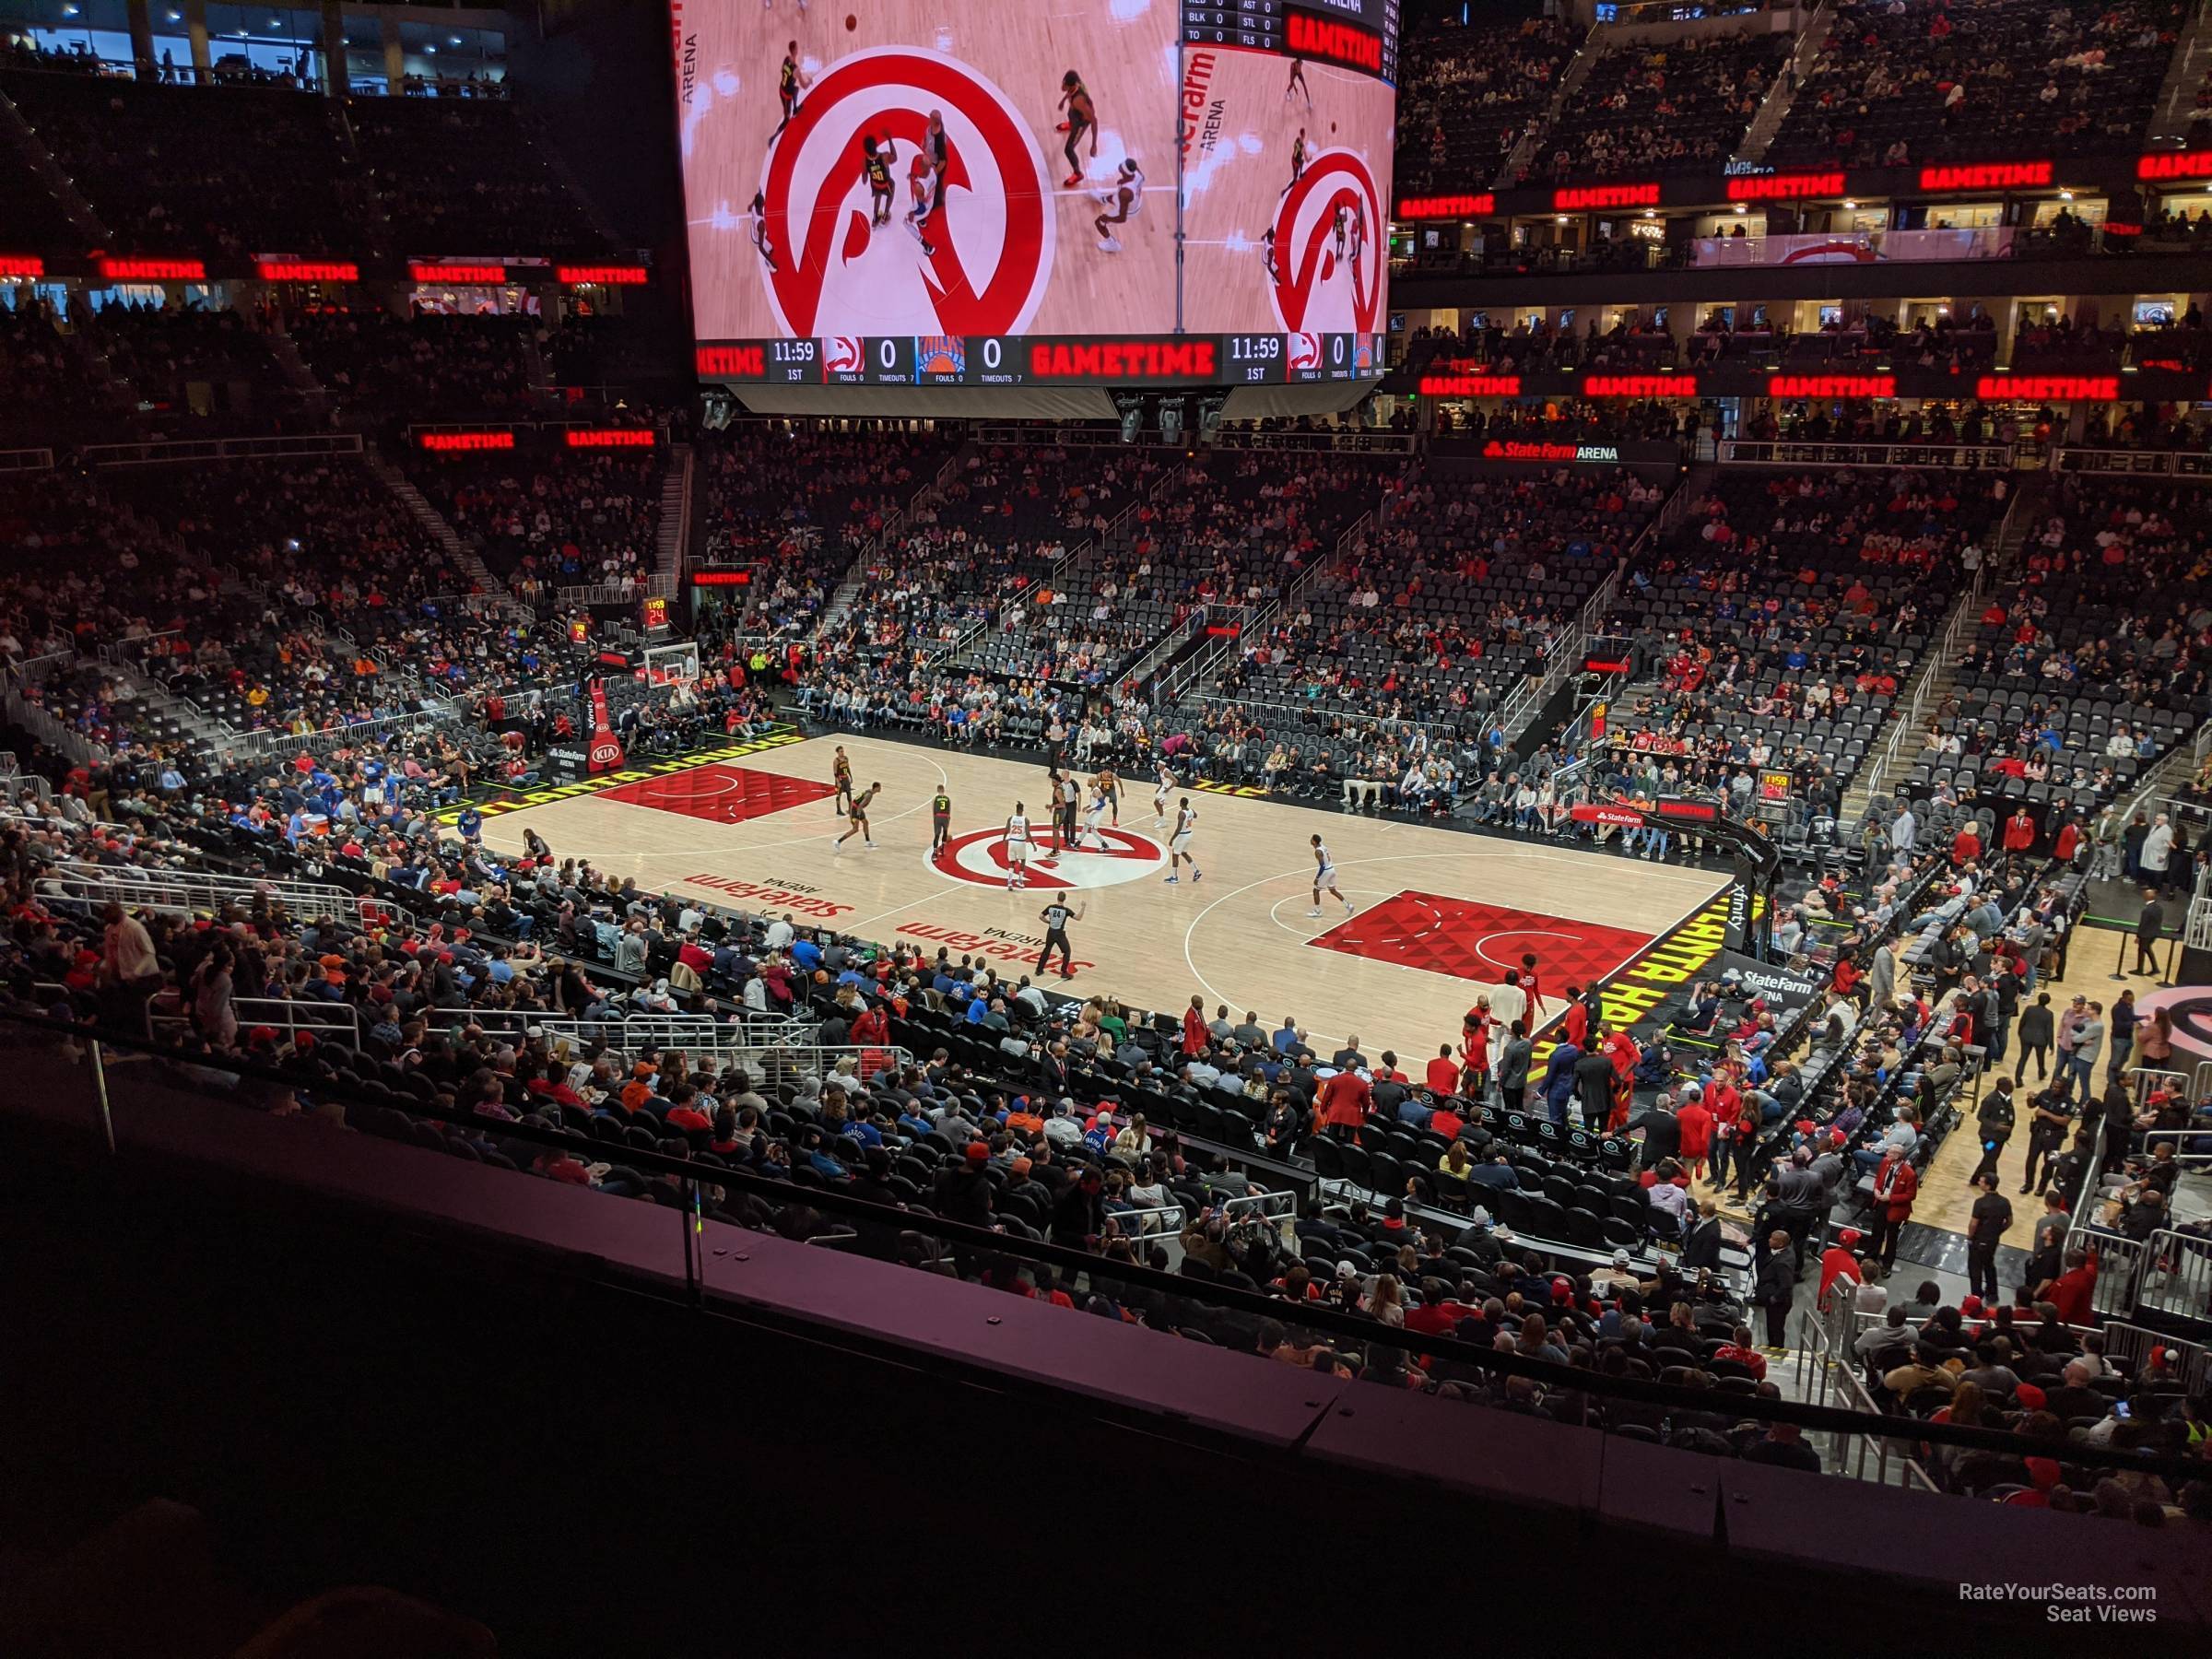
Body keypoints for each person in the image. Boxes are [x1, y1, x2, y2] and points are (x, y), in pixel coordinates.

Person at [1868, 1142, 1917, 1271]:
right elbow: (1879, 1178)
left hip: (1895, 1208)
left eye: (1890, 1152)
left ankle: (1887, 1265)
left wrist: (1890, 1198)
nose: (1887, 1153)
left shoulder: (1909, 1173)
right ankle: (1870, 1259)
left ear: (1898, 1156)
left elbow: (1910, 1195)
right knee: (1876, 1233)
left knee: (1891, 1238)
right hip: (1881, 1202)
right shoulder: (1885, 1162)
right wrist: (1876, 1190)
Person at [1965, 1171, 2012, 1304]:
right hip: (1993, 1241)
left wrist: (1970, 1236)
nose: (1979, 1183)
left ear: (1987, 1186)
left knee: (1975, 1268)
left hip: (1978, 1240)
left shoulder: (1980, 1203)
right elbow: (2009, 1221)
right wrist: (1998, 1231)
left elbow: (1973, 1223)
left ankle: (1975, 1297)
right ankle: (1992, 1293)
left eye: (1981, 1182)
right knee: (1989, 1265)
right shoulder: (2005, 1202)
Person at [1754, 1230, 1796, 1348]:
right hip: (1773, 1299)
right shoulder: (1785, 1251)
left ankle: (1777, 1350)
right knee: (1772, 1327)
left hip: (1779, 1304)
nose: (1769, 1240)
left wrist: (1774, 1298)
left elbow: (1787, 1285)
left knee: (1775, 1329)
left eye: (1773, 1239)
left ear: (1781, 1244)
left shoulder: (1782, 1262)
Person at [1970, 1076, 2016, 1185]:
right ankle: (1984, 1180)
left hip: (2000, 1137)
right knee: (1990, 1157)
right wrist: (1996, 1126)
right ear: (2002, 1087)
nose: (2012, 1087)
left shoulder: (2007, 1098)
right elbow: (1981, 1117)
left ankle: (1977, 1179)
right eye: (2010, 1085)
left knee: (1990, 1157)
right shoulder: (1990, 1100)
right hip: (1989, 1138)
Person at [1092, 156, 1143, 253]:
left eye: (1122, 167)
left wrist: (1107, 219)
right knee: (1113, 197)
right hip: (1136, 201)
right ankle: (1101, 199)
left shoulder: (1125, 193)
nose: (1119, 166)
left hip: (1129, 211)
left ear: (1125, 172)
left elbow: (1122, 218)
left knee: (1099, 222)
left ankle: (1112, 244)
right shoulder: (1138, 174)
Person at [1057, 70, 1097, 187]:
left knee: (1068, 150)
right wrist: (1063, 101)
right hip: (1076, 113)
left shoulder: (1079, 100)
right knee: (1070, 113)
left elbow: (1094, 120)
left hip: (1082, 122)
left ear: (1072, 85)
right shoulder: (1075, 84)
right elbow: (1070, 92)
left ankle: (1077, 173)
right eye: (1063, 83)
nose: (1062, 86)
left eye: (1065, 85)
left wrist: (1094, 145)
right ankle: (1071, 124)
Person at [1036, 898, 1085, 980]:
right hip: (1059, 934)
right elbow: (1078, 918)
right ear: (1064, 899)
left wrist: (1048, 922)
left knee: (1047, 950)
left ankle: (1039, 970)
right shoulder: (1066, 910)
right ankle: (1064, 972)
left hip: (1050, 932)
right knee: (1067, 951)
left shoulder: (1050, 907)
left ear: (1057, 898)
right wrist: (1083, 907)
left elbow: (1041, 916)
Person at [1308, 833, 1352, 918]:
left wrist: (1317, 878)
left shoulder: (1318, 851)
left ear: (1314, 841)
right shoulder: (1323, 846)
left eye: (1311, 839)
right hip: (1332, 869)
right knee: (1332, 890)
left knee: (1315, 890)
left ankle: (1317, 912)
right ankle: (1348, 906)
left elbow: (1322, 866)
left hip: (1326, 871)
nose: (1310, 840)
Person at [2015, 991, 2054, 1085]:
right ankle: (2041, 1074)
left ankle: (2018, 1080)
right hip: (2040, 1039)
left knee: (2023, 1058)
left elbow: (2022, 1021)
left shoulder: (2029, 1009)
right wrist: (2051, 1046)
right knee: (2040, 1058)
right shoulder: (2049, 1014)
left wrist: (2020, 1033)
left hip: (2026, 1036)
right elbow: (2049, 1030)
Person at [1164, 797, 1202, 884]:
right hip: (1189, 833)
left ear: (1181, 803)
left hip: (1182, 835)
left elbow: (1179, 828)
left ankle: (1174, 877)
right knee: (1184, 853)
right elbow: (1196, 816)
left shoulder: (1181, 813)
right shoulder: (1191, 811)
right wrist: (1190, 816)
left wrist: (1172, 839)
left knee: (1175, 855)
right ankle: (1196, 871)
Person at [833, 782, 879, 852]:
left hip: (857, 808)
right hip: (856, 809)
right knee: (855, 829)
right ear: (876, 788)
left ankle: (867, 842)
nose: (880, 789)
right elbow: (860, 805)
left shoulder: (869, 792)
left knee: (865, 822)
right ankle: (838, 842)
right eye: (879, 787)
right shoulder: (869, 795)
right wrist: (857, 815)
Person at [1003, 801, 1033, 890]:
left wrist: (1004, 839)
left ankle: (1009, 882)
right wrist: (1033, 844)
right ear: (1022, 810)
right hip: (1020, 842)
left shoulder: (1011, 818)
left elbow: (1006, 830)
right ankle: (1020, 880)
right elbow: (1027, 833)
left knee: (1012, 862)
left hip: (1011, 842)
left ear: (1016, 809)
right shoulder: (1025, 820)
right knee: (1023, 861)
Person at [2136, 888, 2165, 976]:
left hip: (2146, 934)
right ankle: (2155, 969)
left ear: (2147, 897)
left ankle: (2139, 970)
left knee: (2142, 950)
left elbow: (2143, 924)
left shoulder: (2146, 910)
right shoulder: (2159, 908)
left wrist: (2138, 936)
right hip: (2155, 933)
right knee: (2148, 949)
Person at [930, 786, 952, 855]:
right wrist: (948, 818)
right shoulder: (948, 799)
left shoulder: (935, 799)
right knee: (945, 832)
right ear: (944, 790)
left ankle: (935, 853)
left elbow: (933, 809)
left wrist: (934, 817)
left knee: (937, 835)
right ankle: (942, 849)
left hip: (938, 816)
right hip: (945, 817)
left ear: (937, 790)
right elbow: (949, 810)